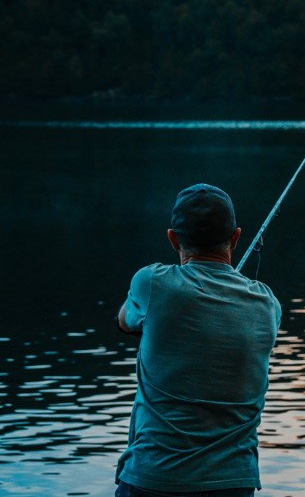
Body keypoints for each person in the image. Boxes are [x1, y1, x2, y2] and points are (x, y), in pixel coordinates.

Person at [115, 184, 282, 497]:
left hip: (152, 479)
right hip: (233, 483)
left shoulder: (152, 283)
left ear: (173, 238)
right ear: (235, 237)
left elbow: (125, 322)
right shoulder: (268, 304)